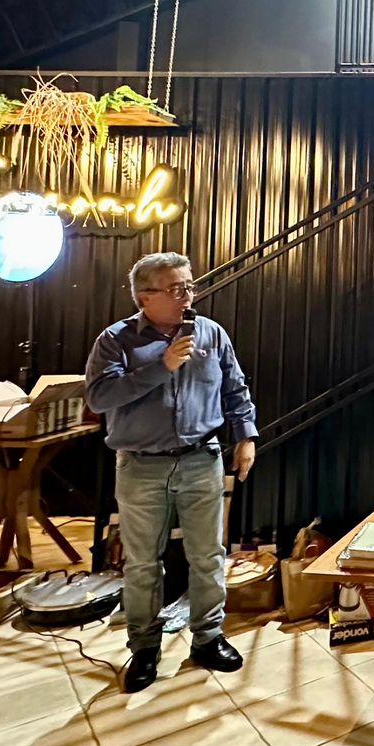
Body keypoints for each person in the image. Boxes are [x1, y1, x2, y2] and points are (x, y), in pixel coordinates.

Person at [85, 251, 258, 693]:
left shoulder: (211, 333)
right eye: (177, 288)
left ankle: (208, 638)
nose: (188, 296)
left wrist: (246, 436)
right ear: (145, 296)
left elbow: (235, 388)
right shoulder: (116, 340)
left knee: (208, 556)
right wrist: (160, 367)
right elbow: (100, 397)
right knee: (143, 563)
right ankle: (144, 647)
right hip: (141, 466)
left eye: (190, 286)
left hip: (202, 459)